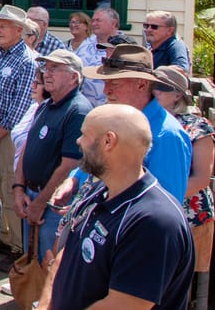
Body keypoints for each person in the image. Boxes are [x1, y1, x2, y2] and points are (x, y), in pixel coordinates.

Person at [47, 104, 194, 310]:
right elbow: (65, 258)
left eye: (85, 135)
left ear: (108, 141)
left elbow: (124, 305)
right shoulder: (99, 191)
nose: (78, 141)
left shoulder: (154, 222)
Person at [84, 43, 192, 200]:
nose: (106, 91)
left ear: (142, 84)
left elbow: (166, 203)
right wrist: (73, 181)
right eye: (105, 83)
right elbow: (93, 160)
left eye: (114, 83)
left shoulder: (167, 136)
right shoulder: (113, 118)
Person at [12, 49, 91, 262]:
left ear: (74, 77)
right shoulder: (45, 106)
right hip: (31, 196)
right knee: (30, 264)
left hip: (53, 204)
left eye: (55, 68)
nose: (47, 73)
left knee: (48, 265)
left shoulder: (78, 111)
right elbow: (27, 148)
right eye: (46, 68)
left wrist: (40, 204)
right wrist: (18, 189)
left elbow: (69, 165)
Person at [0, 4, 38, 269]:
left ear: (19, 30)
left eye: (5, 26)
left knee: (10, 185)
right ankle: (2, 236)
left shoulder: (27, 60)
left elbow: (21, 106)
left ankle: (17, 246)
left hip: (9, 134)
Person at [153, 65, 215, 309]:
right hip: (154, 214)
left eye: (160, 87)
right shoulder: (147, 121)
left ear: (177, 94)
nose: (153, 91)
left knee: (181, 287)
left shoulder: (198, 127)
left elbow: (201, 178)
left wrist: (156, 199)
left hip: (191, 216)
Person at [66, 11, 104, 106]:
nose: (73, 25)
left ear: (87, 26)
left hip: (92, 95)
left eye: (78, 22)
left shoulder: (94, 44)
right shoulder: (65, 45)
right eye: (72, 22)